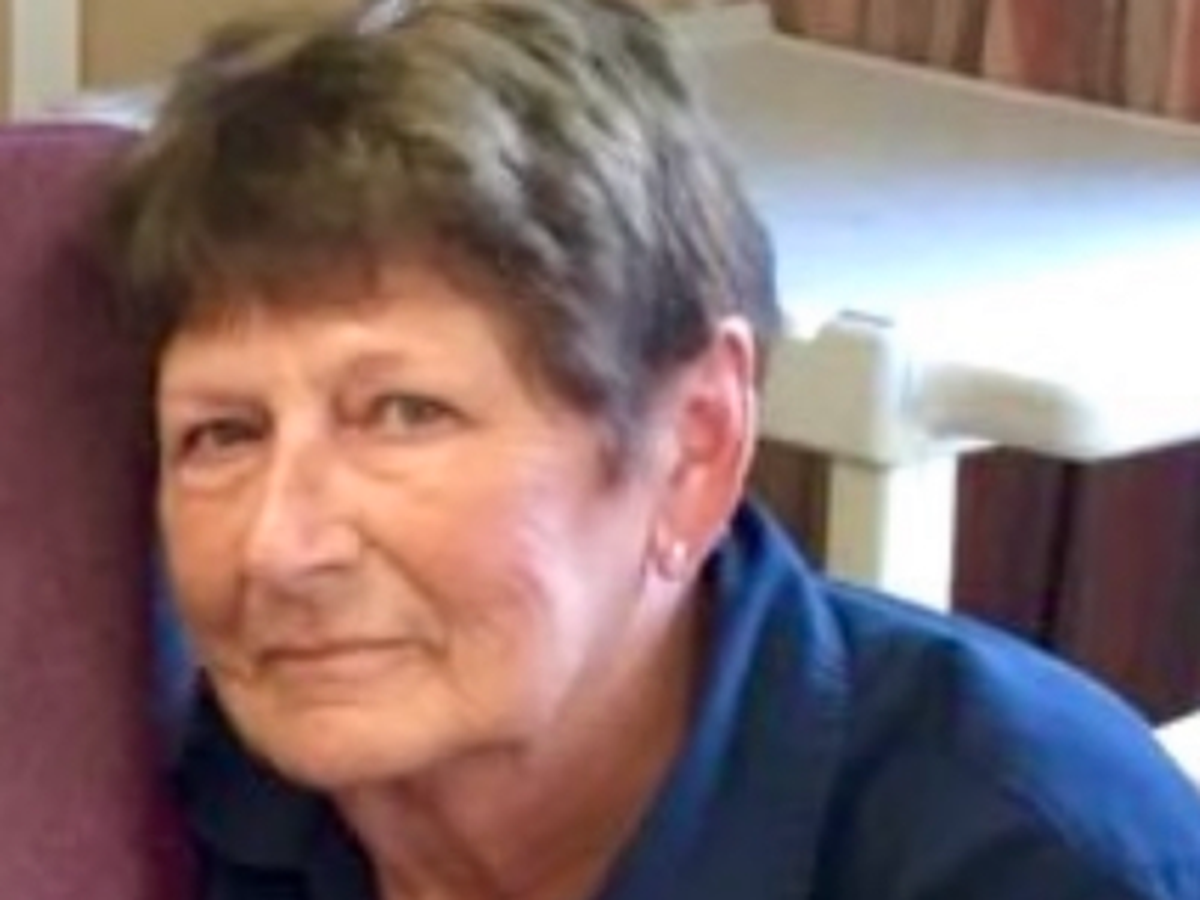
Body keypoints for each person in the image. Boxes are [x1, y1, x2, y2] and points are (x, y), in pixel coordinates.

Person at [102, 0, 1200, 897]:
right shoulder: (165, 813)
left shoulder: (1033, 860)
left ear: (694, 445)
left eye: (403, 413)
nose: (281, 548)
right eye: (222, 434)